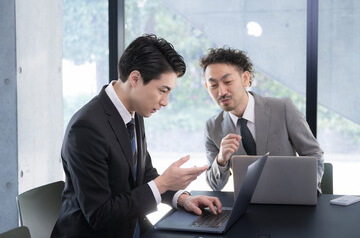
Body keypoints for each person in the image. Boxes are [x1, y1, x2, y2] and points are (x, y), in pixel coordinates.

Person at [51, 34, 222, 238]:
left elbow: (144, 175)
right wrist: (164, 183)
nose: (165, 102)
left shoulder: (133, 112)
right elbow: (99, 215)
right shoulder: (86, 128)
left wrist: (182, 198)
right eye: (162, 90)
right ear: (135, 78)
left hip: (133, 227)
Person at [200, 47, 324, 192]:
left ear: (245, 79)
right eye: (213, 85)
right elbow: (215, 186)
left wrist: (306, 191)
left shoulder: (283, 108)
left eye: (227, 82)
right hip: (247, 207)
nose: (221, 92)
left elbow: (313, 154)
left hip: (290, 200)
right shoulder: (212, 127)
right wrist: (221, 160)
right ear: (207, 87)